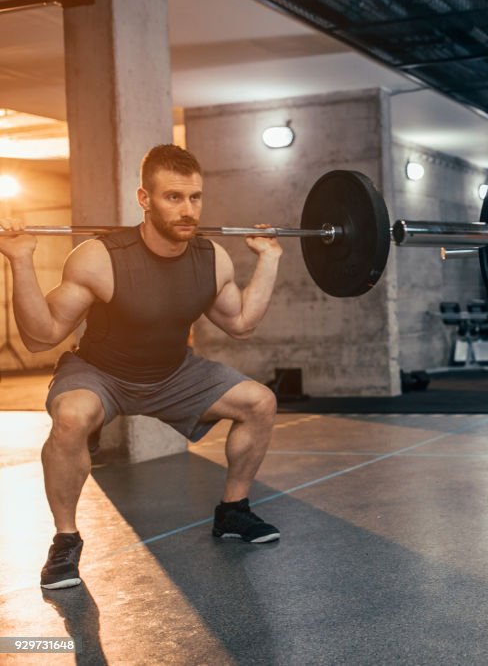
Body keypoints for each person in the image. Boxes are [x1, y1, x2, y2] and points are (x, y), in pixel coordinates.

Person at [0, 144, 284, 590]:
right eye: (173, 197)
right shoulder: (100, 257)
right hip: (100, 372)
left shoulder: (212, 259)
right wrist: (20, 260)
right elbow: (42, 336)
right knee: (72, 416)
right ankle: (65, 540)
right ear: (144, 199)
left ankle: (233, 511)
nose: (187, 210)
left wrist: (269, 259)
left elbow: (242, 325)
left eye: (195, 197)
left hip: (173, 374)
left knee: (259, 402)